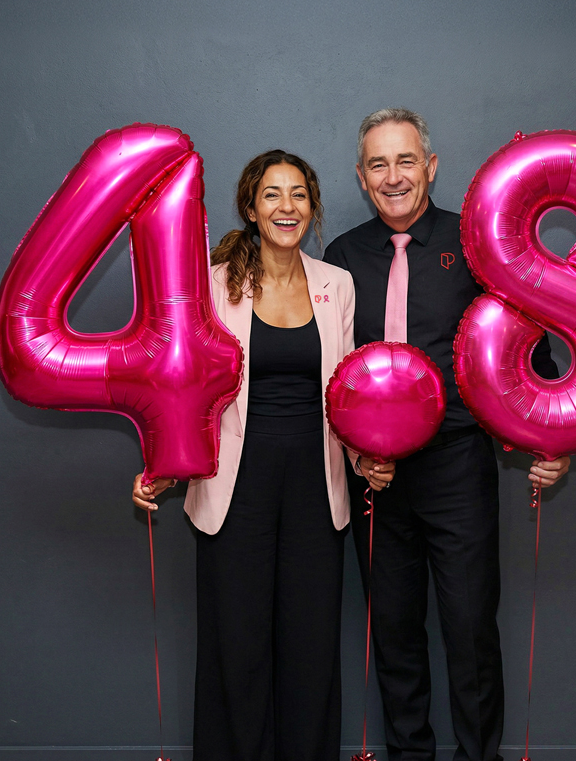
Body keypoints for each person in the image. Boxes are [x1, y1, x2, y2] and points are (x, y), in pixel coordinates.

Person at [323, 109, 570, 761]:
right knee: (396, 634)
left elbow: (524, 347)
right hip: (377, 474)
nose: (393, 175)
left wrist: (550, 440)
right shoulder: (342, 256)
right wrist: (355, 454)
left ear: (431, 167)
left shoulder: (478, 243)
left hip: (457, 463)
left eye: (406, 160)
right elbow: (330, 372)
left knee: (468, 629)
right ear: (361, 175)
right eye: (378, 163)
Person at [132, 150, 391, 761]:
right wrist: (162, 470)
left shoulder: (338, 284)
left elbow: (347, 395)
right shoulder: (212, 283)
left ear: (312, 207)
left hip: (315, 488)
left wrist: (367, 460)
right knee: (238, 648)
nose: (286, 207)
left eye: (299, 194)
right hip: (232, 490)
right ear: (250, 207)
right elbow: (177, 384)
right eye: (272, 195)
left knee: (308, 647)